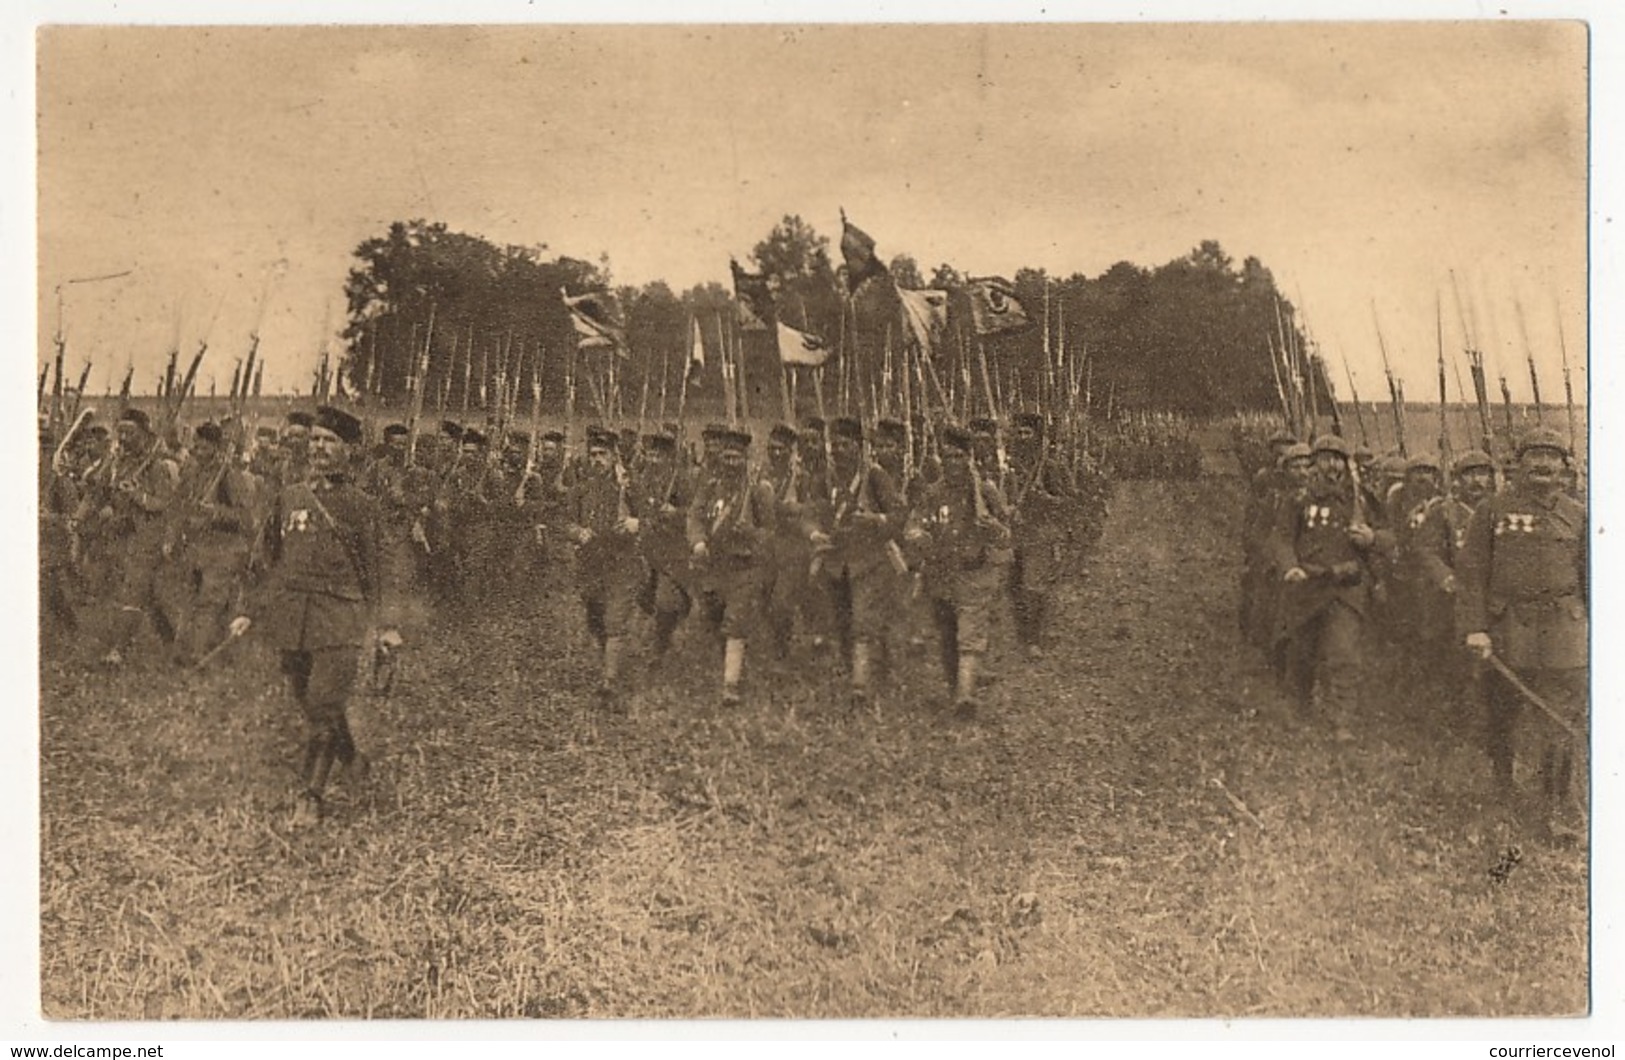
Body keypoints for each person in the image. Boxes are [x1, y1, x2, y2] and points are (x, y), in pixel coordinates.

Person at [232, 406, 386, 829]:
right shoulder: (290, 497)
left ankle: (310, 797)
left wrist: (385, 627)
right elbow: (266, 560)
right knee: (314, 704)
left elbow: (379, 569)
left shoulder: (361, 506)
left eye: (330, 441)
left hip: (340, 616)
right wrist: (249, 609)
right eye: (315, 439)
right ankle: (352, 758)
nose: (319, 447)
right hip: (294, 619)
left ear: (349, 450)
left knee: (322, 704)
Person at [1456, 427, 1587, 842]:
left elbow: (1594, 576)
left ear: (1565, 467)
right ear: (1519, 464)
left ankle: (1554, 808)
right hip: (1508, 629)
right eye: (1535, 456)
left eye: (1553, 457)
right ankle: (1503, 794)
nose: (1544, 465)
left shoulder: (1579, 515)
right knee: (1503, 716)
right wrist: (1476, 627)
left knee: (1560, 721)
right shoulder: (1492, 511)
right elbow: (1471, 573)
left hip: (1564, 632)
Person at [1268, 434, 1390, 741]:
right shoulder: (1299, 499)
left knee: (1344, 654)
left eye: (1337, 458)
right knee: (1302, 652)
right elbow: (1281, 538)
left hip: (1346, 589)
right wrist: (1290, 566)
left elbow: (1392, 537)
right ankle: (1299, 708)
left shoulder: (1361, 499)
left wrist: (1372, 539)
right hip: (1308, 586)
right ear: (1314, 463)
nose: (1331, 465)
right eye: (1324, 458)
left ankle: (1341, 721)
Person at [905, 423, 1012, 721]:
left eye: (957, 457)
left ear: (969, 457)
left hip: (974, 573)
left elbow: (1006, 533)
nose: (951, 463)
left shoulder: (985, 490)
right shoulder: (933, 492)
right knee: (948, 636)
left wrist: (993, 529)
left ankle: (966, 696)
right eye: (947, 456)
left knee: (970, 636)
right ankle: (957, 689)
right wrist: (916, 535)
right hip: (941, 575)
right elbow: (914, 524)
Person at [687, 427, 774, 707]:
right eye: (727, 457)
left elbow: (770, 531)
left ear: (745, 459)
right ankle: (726, 660)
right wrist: (698, 541)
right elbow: (695, 516)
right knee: (714, 614)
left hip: (745, 565)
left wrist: (750, 533)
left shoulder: (758, 489)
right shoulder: (710, 485)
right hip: (714, 564)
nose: (731, 463)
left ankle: (730, 685)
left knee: (736, 620)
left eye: (737, 458)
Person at [562, 425, 646, 708]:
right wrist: (577, 532)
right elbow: (564, 522)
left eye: (603, 454)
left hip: (623, 563)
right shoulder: (580, 489)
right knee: (595, 617)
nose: (597, 459)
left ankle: (609, 682)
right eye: (593, 454)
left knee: (614, 620)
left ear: (614, 457)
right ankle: (611, 654)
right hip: (591, 565)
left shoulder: (630, 486)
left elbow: (652, 517)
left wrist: (637, 523)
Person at [164, 421, 258, 665]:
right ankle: (184, 650)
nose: (199, 452)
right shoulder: (191, 471)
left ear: (217, 448)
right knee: (190, 598)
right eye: (196, 447)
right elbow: (179, 506)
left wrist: (215, 512)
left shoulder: (230, 475)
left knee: (210, 600)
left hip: (224, 548)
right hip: (197, 547)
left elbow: (245, 517)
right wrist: (172, 536)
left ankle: (199, 654)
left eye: (205, 448)